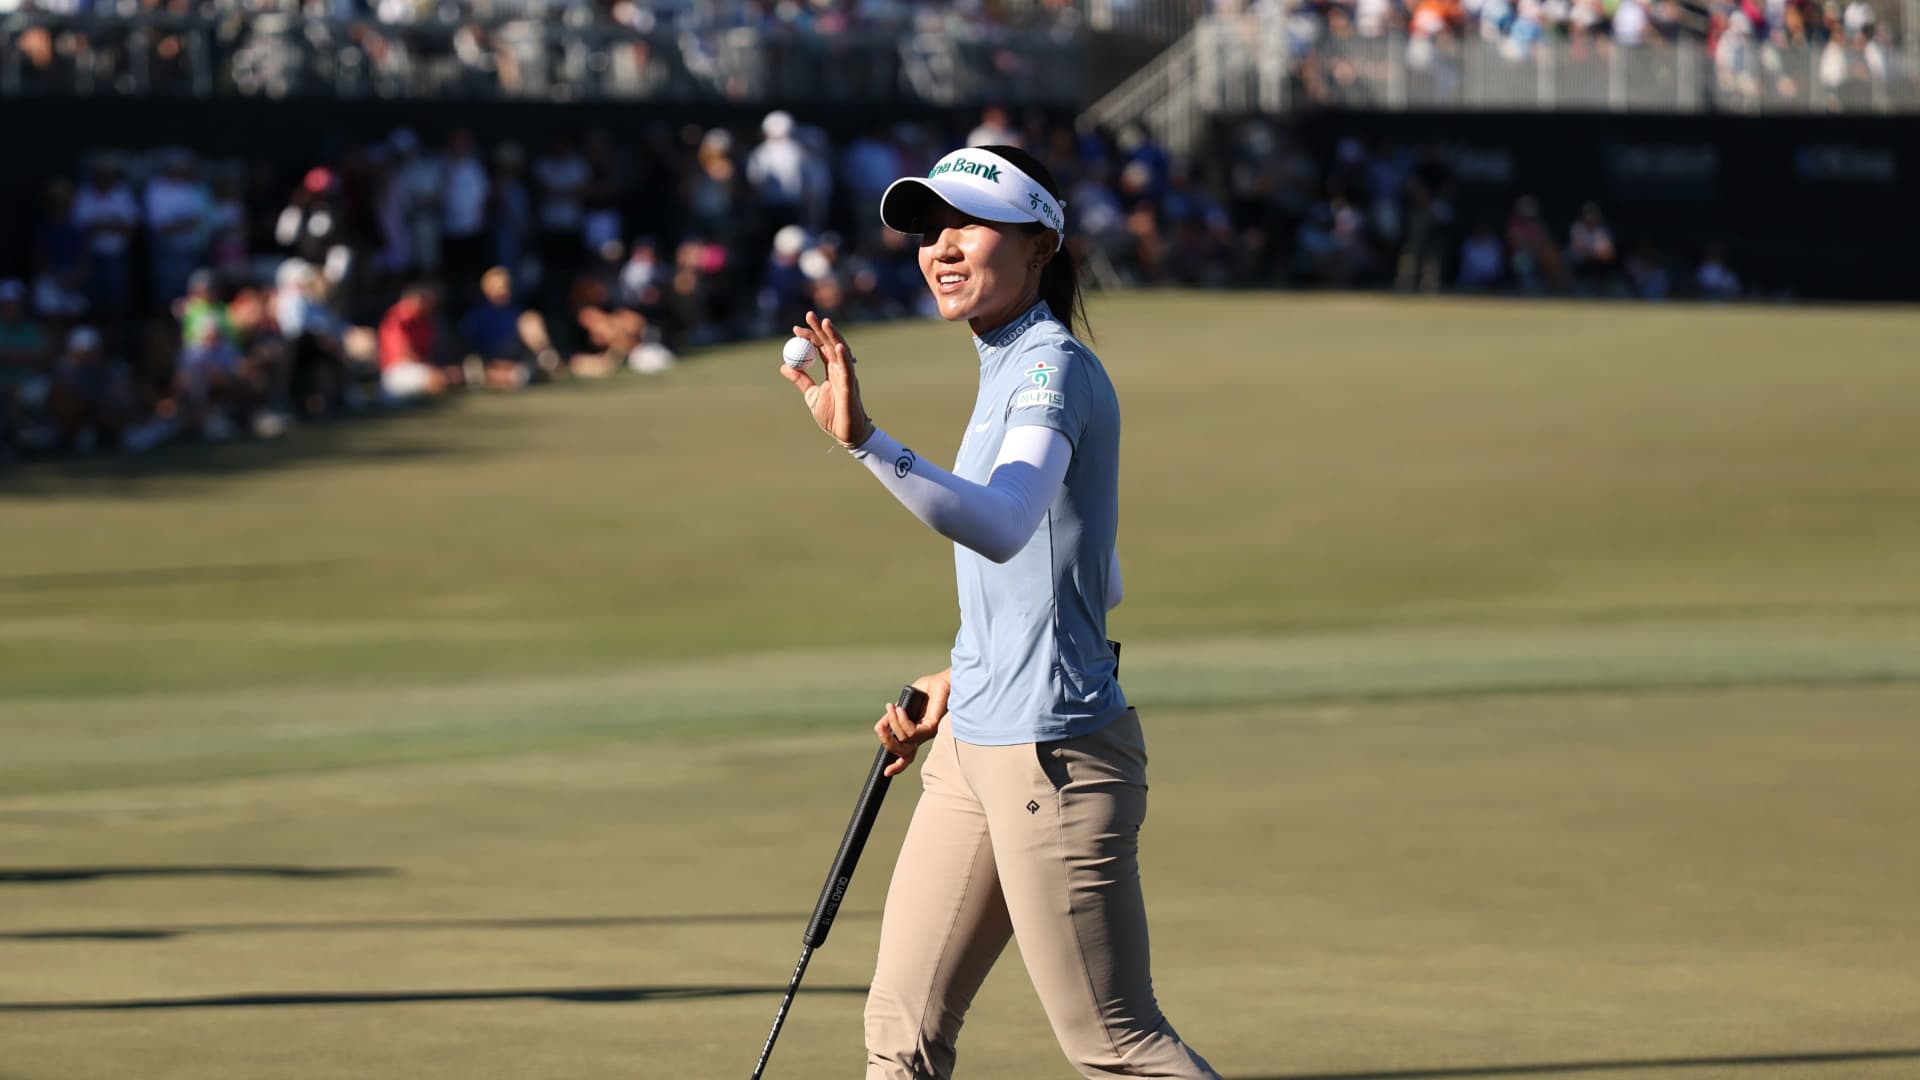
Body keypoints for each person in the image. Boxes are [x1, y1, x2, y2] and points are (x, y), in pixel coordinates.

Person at [778, 144, 1220, 1080]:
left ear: (1040, 244)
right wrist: (964, 669)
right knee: (900, 1039)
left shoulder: (1048, 368)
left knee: (1115, 1044)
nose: (941, 247)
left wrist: (866, 443)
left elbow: (1007, 523)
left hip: (1051, 757)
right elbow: (1095, 576)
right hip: (975, 743)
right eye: (928, 231)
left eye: (966, 226)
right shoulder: (1004, 360)